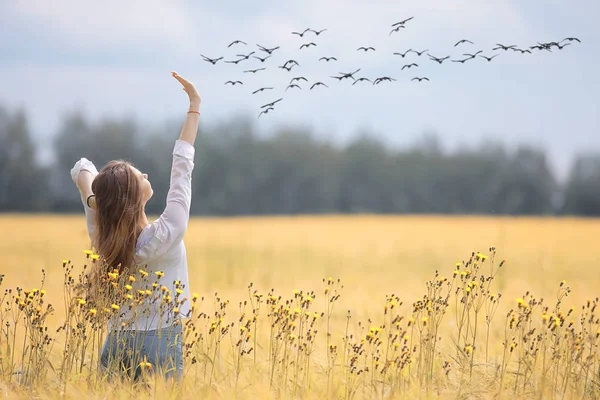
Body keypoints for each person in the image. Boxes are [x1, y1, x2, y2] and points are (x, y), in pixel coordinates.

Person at [70, 71, 201, 382]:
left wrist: (94, 202)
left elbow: (82, 167)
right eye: (140, 176)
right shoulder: (166, 234)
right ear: (133, 195)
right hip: (162, 340)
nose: (145, 177)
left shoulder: (103, 233)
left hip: (118, 340)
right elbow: (182, 167)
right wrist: (194, 104)